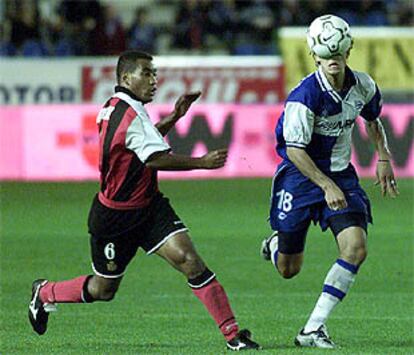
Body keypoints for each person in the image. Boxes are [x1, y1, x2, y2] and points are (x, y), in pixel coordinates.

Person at [29, 50, 260, 352]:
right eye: (147, 73)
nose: (154, 80)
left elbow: (141, 143)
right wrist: (202, 163)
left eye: (154, 73)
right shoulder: (130, 115)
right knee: (104, 289)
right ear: (126, 78)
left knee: (189, 260)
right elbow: (154, 159)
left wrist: (176, 116)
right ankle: (45, 292)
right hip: (115, 217)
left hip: (149, 208)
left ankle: (233, 335)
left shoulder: (118, 107)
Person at [260, 15, 399, 349]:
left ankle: (312, 329)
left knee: (356, 247)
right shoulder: (303, 97)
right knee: (288, 269)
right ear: (314, 56)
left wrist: (383, 157)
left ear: (349, 49)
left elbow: (373, 119)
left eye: (338, 51)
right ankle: (277, 245)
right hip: (300, 178)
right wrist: (325, 185)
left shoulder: (363, 85)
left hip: (341, 176)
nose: (332, 58)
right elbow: (294, 150)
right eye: (325, 53)